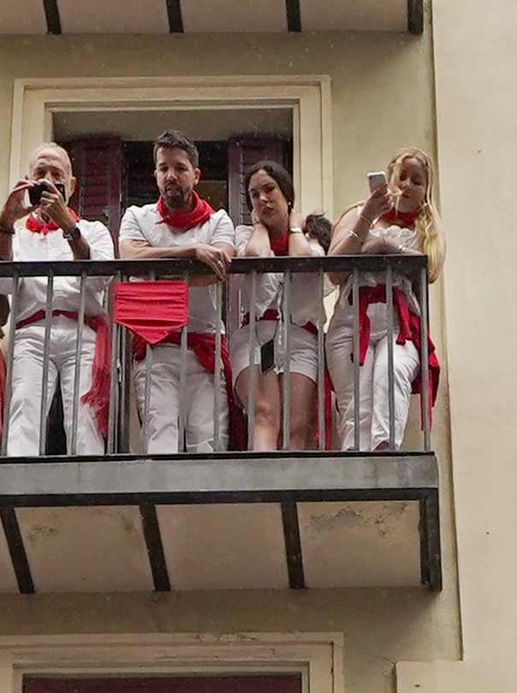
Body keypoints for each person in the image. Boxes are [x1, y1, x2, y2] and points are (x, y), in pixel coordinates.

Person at [114, 135, 236, 458]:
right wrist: (192, 252)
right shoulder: (136, 216)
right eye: (163, 167)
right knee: (159, 436)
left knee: (209, 441)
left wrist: (156, 266)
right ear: (155, 174)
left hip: (204, 345)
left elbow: (218, 267)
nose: (171, 175)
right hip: (155, 345)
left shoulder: (219, 220)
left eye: (180, 168)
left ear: (196, 175)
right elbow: (129, 258)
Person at [0, 143, 111, 461]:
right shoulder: (16, 236)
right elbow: (1, 282)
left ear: (70, 187)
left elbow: (100, 279)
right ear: (27, 182)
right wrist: (5, 223)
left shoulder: (93, 231)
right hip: (31, 333)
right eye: (40, 174)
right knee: (24, 407)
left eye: (57, 175)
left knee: (84, 416)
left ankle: (89, 483)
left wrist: (68, 227)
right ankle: (18, 479)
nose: (48, 181)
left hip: (81, 330)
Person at [332, 152, 439, 451]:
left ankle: (385, 453)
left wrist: (384, 246)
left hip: (398, 323)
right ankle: (355, 461)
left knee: (392, 373)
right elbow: (334, 270)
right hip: (352, 319)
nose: (406, 185)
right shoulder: (358, 213)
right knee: (356, 401)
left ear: (425, 191)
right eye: (402, 176)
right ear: (390, 178)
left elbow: (428, 269)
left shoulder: (425, 229)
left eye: (416, 181)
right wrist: (368, 217)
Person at [229, 162, 326, 454]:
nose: (262, 199)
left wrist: (294, 224)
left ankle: (292, 492)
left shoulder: (312, 235)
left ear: (287, 193)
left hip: (300, 338)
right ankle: (265, 491)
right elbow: (257, 255)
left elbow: (301, 261)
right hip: (256, 336)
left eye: (269, 189)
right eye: (254, 195)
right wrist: (259, 225)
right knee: (264, 413)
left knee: (297, 424)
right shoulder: (245, 234)